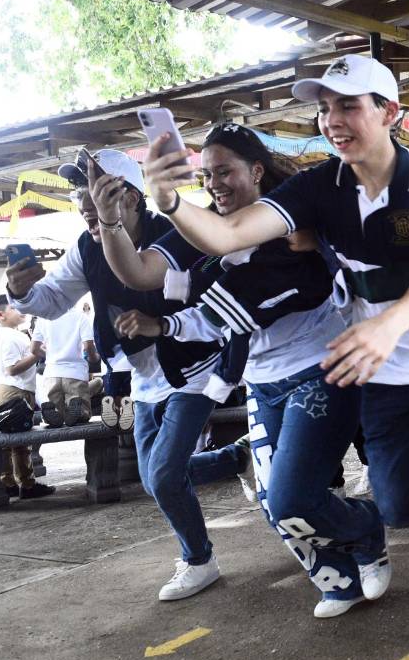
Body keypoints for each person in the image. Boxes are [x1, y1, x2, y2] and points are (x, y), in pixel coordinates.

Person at [141, 54, 409, 660]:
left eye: (348, 105)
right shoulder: (318, 187)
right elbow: (229, 235)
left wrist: (388, 325)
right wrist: (170, 199)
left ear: (389, 113)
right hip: (384, 365)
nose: (332, 120)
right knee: (396, 504)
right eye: (324, 107)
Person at [111, 122, 389, 619]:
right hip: (261, 384)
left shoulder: (292, 230)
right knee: (274, 506)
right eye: (207, 174)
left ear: (256, 170)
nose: (214, 183)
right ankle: (337, 576)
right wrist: (112, 223)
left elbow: (217, 316)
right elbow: (138, 273)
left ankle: (365, 527)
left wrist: (163, 325)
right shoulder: (204, 229)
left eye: (225, 171)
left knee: (289, 500)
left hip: (320, 371)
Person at [5, 149, 223, 601]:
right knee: (152, 476)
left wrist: (161, 324)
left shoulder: (179, 233)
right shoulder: (87, 246)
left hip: (195, 370)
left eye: (99, 190)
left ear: (134, 197)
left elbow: (215, 308)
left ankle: (199, 559)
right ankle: (234, 459)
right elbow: (51, 300)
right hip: (142, 379)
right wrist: (20, 291)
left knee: (162, 476)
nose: (86, 202)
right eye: (80, 192)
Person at [0, 295, 54, 500]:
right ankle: (25, 484)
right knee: (18, 444)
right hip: (13, 391)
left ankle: (11, 483)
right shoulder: (9, 337)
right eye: (13, 308)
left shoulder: (11, 335)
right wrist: (36, 355)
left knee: (12, 443)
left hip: (11, 390)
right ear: (1, 315)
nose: (20, 310)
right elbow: (12, 369)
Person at [33, 302, 99, 426]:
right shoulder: (80, 316)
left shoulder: (43, 317)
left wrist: (50, 355)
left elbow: (34, 349)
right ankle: (79, 412)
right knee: (81, 413)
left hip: (52, 373)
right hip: (75, 373)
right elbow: (88, 346)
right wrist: (94, 359)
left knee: (57, 413)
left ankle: (49, 416)